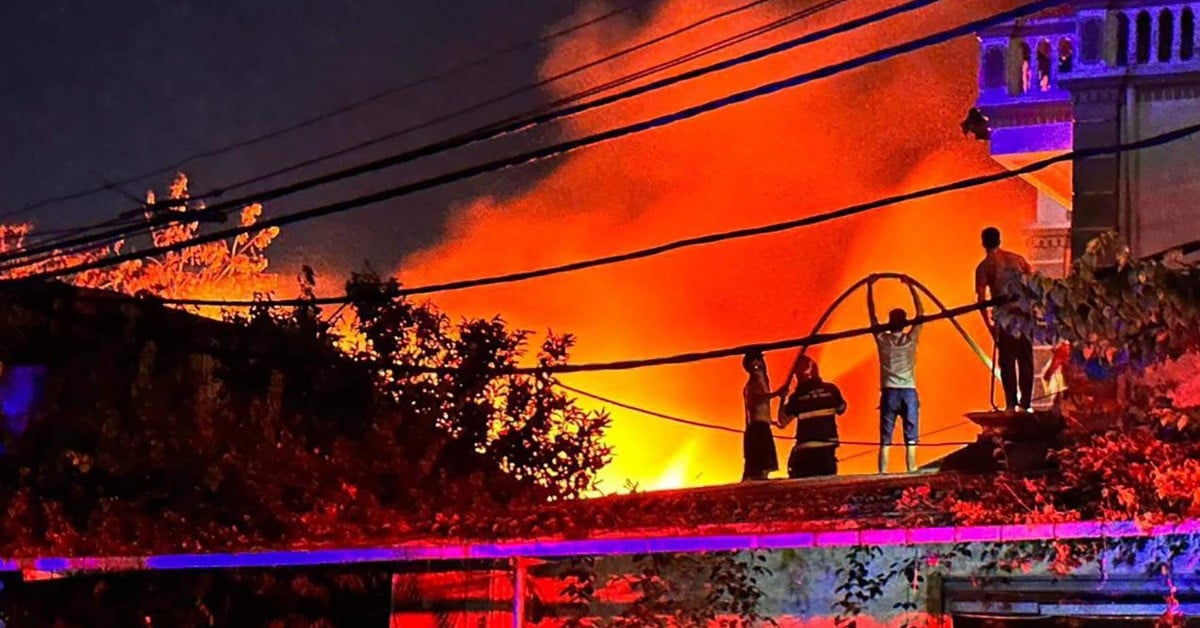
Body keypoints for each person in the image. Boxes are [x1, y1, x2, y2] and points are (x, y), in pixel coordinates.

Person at [974, 227, 1035, 412]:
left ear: (983, 243)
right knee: (1026, 360)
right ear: (1000, 241)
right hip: (1024, 316)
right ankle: (1025, 404)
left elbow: (981, 300)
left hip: (1007, 318)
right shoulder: (1018, 259)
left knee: (1007, 361)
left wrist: (990, 326)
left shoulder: (985, 266)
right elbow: (1033, 285)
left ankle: (1011, 404)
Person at [867, 276, 923, 474]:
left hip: (890, 392)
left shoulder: (883, 340)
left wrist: (869, 288)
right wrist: (912, 286)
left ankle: (882, 473)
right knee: (911, 436)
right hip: (908, 390)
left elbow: (872, 317)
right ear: (905, 323)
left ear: (889, 324)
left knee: (886, 436)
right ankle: (912, 470)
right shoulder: (910, 339)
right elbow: (921, 313)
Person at [776, 355, 846, 478]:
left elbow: (782, 421)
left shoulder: (796, 397)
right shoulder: (832, 389)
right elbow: (842, 408)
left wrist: (782, 398)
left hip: (805, 450)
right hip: (828, 450)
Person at [741, 351, 785, 482]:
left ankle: (761, 479)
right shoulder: (752, 384)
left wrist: (771, 421)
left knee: (764, 463)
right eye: (755, 362)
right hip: (757, 428)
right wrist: (777, 394)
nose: (758, 364)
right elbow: (756, 401)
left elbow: (762, 406)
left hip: (763, 424)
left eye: (759, 361)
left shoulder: (762, 380)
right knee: (759, 464)